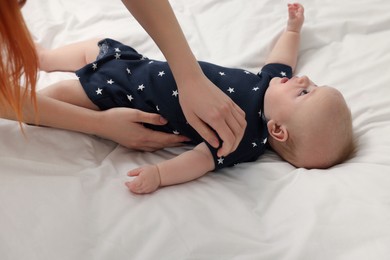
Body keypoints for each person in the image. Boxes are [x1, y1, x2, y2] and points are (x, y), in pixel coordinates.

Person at [37, 3, 354, 194]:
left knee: (53, 100)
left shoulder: (244, 138)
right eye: (312, 83)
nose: (302, 79)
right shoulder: (271, 82)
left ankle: (26, 101)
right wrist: (293, 31)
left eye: (305, 92)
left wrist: (160, 175)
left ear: (278, 130)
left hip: (118, 96)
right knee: (94, 47)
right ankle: (45, 59)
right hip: (135, 64)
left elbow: (202, 160)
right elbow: (283, 59)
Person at [2, 0, 242, 153]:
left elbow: (205, 158)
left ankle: (42, 58)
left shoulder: (253, 132)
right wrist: (101, 125)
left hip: (124, 74)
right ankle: (43, 62)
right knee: (60, 91)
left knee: (77, 69)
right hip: (122, 77)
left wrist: (190, 77)